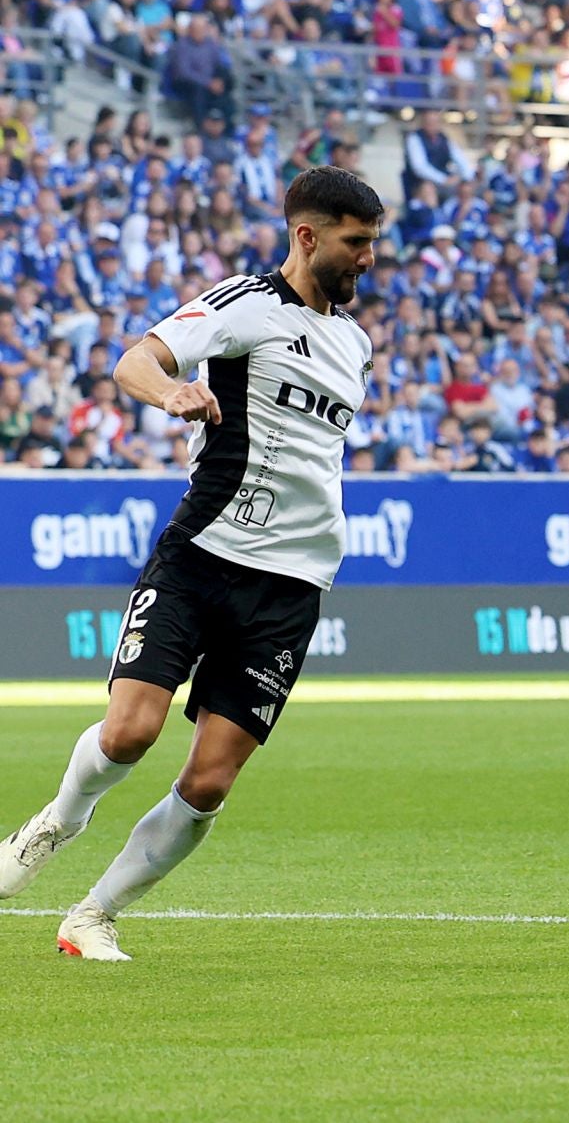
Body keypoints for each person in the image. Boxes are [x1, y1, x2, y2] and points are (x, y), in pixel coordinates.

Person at [0, 167, 382, 961]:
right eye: (356, 243)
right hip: (203, 556)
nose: (367, 259)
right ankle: (53, 825)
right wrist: (172, 394)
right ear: (308, 236)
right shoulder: (245, 304)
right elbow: (138, 360)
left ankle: (92, 915)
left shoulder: (355, 342)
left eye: (372, 243)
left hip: (293, 584)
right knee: (131, 732)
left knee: (209, 783)